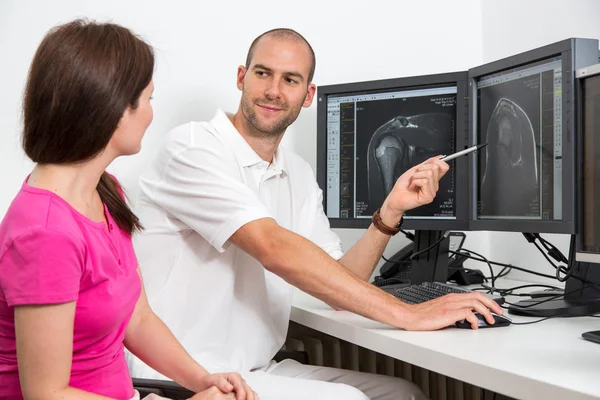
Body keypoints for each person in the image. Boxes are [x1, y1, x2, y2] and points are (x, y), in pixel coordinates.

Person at [128, 28, 504, 400]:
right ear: (242, 78)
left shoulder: (298, 174)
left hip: (257, 369)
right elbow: (271, 246)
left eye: (290, 79)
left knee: (402, 392)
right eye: (263, 74)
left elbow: (342, 286)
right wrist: (408, 313)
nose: (273, 91)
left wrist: (390, 211)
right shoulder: (193, 148)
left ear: (308, 95)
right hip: (185, 376)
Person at [0, 20, 257, 400]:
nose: (152, 114)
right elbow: (46, 394)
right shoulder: (46, 233)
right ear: (112, 105)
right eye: (148, 99)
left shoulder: (105, 192)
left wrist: (203, 381)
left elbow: (136, 318)